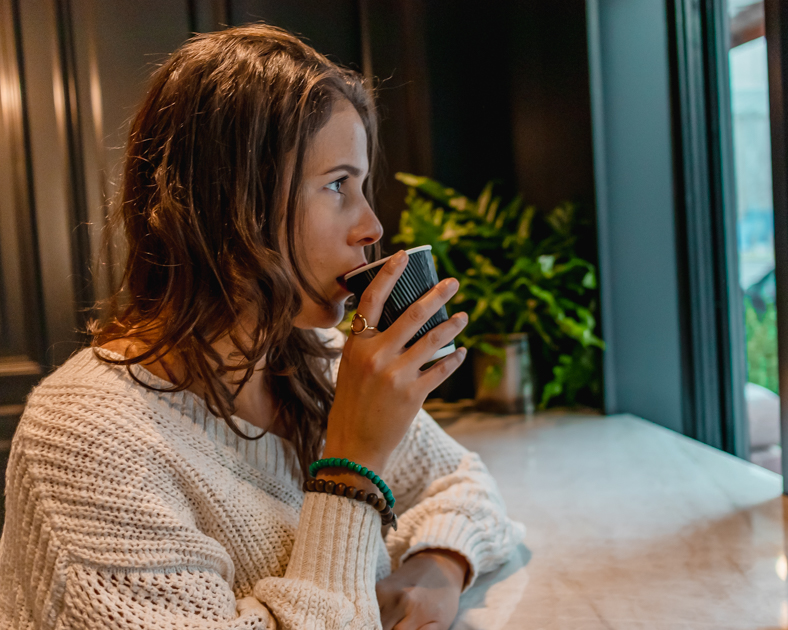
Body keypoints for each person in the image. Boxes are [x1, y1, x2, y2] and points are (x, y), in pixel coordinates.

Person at [0, 23, 525, 630]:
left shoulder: (316, 358)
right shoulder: (85, 437)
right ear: (227, 203)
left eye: (363, 185)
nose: (373, 226)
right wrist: (352, 464)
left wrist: (437, 566)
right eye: (337, 186)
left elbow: (465, 485)